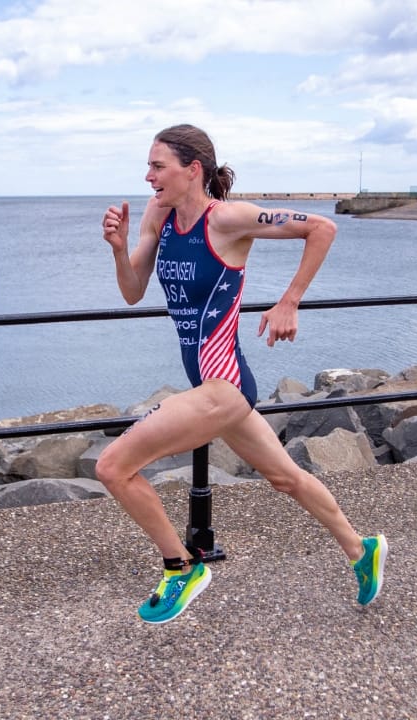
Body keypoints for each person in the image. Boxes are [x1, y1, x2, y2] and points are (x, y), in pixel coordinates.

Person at [99, 124, 386, 624]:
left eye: (158, 166)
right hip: (211, 386)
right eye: (148, 167)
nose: (148, 176)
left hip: (225, 385)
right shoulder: (159, 215)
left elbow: (322, 228)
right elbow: (132, 291)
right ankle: (362, 550)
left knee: (112, 467)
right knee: (286, 478)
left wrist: (289, 302)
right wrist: (119, 249)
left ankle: (181, 567)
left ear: (193, 170)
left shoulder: (229, 219)